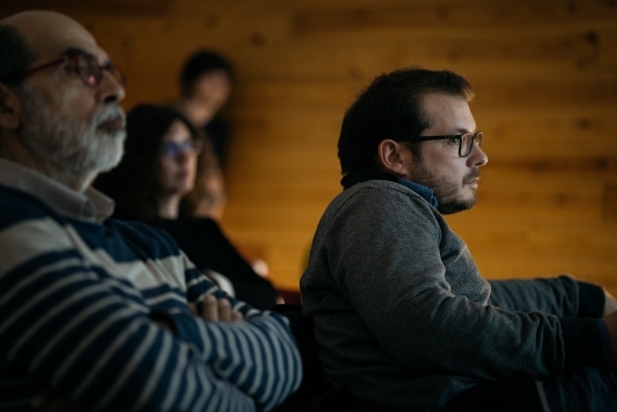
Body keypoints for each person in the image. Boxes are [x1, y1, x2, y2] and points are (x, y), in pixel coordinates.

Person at [0, 10, 301, 411]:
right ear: (6, 106)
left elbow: (288, 359)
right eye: (81, 69)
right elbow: (155, 390)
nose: (115, 91)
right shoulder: (10, 228)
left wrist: (171, 332)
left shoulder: (149, 241)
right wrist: (226, 360)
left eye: (112, 71)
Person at [300, 67, 617, 411]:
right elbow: (426, 327)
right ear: (394, 156)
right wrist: (593, 340)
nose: (480, 157)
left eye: (475, 140)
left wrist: (578, 297)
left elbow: (480, 302)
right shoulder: (377, 203)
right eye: (458, 140)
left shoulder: (391, 207)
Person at [94, 103, 279, 310]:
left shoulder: (204, 228)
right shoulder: (124, 229)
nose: (185, 158)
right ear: (139, 158)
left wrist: (217, 285)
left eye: (189, 145)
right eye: (170, 148)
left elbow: (267, 293)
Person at [177, 50, 234, 169]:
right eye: (212, 80)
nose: (218, 87)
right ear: (193, 81)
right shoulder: (164, 118)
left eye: (224, 82)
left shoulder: (220, 129)